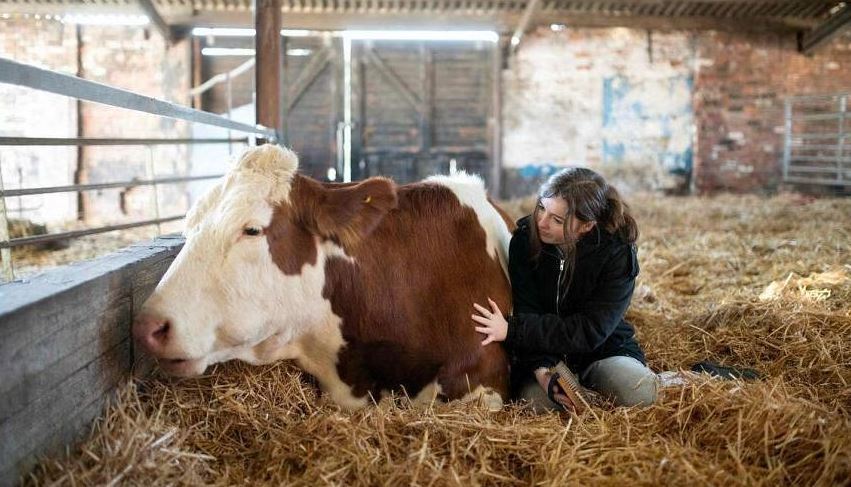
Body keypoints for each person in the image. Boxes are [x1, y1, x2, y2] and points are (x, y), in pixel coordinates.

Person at [472, 167, 657, 412]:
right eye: (542, 208)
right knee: (538, 407)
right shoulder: (524, 241)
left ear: (586, 226)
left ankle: (667, 378)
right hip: (544, 353)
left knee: (641, 394)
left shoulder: (617, 253)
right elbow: (529, 309)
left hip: (602, 351)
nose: (541, 223)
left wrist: (512, 330)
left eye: (557, 220)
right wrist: (542, 370)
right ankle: (570, 387)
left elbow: (591, 330)